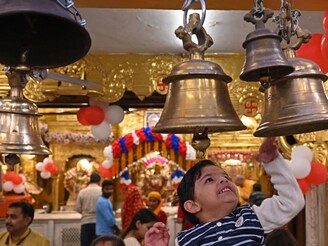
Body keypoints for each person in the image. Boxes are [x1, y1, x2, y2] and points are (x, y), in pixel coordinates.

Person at [175, 137, 305, 245]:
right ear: (192, 205)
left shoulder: (251, 216)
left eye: (225, 176)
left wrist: (273, 163)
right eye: (209, 180)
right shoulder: (185, 240)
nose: (223, 180)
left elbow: (291, 202)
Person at [76, 173, 102, 246]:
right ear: (99, 181)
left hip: (86, 222)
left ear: (90, 180)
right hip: (99, 222)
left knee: (86, 244)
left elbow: (77, 208)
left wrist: (85, 213)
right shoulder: (102, 191)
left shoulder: (82, 192)